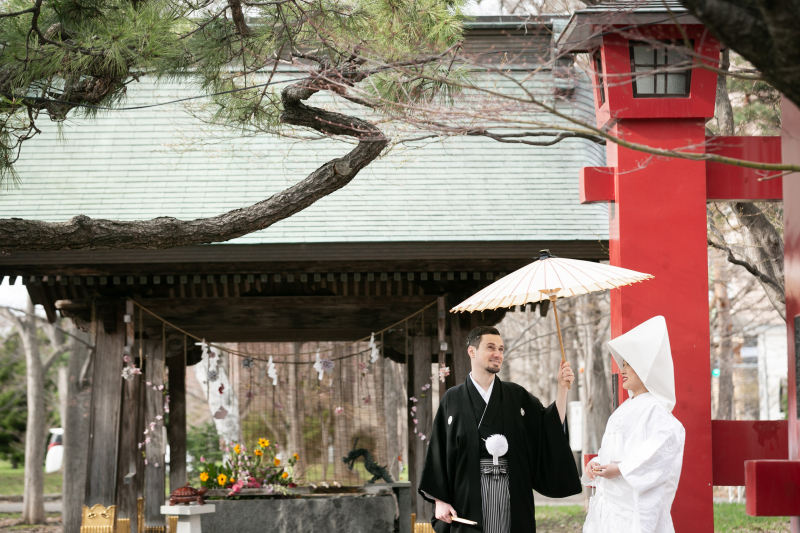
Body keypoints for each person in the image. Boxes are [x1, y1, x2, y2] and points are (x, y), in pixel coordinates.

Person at [419, 325, 582, 533]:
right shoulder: (452, 399)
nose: (497, 354)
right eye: (490, 347)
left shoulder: (516, 395)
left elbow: (547, 428)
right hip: (467, 503)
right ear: (472, 351)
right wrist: (440, 500)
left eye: (501, 349)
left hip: (513, 499)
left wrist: (562, 389)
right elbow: (438, 453)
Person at [583, 316, 686, 533]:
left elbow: (660, 452)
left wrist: (620, 469)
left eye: (628, 364)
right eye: (623, 364)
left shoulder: (656, 409)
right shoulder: (626, 408)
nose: (622, 370)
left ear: (646, 368)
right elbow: (613, 450)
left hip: (631, 505)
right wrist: (597, 462)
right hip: (611, 501)